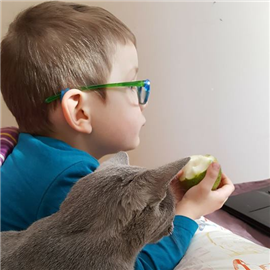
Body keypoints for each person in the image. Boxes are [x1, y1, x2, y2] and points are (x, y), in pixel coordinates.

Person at [0, 1, 234, 269]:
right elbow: (130, 265)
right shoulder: (67, 181)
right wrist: (188, 214)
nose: (142, 100)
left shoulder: (30, 154)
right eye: (133, 85)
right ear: (80, 111)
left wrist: (168, 194)